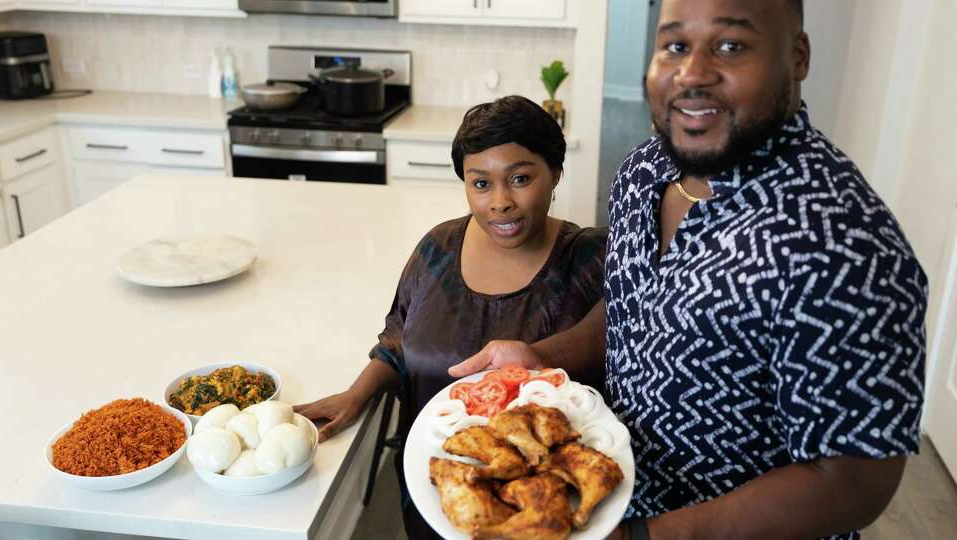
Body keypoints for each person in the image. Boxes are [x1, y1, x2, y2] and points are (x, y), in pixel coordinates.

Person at [450, 1, 929, 539]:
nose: (692, 73)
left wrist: (649, 536)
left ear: (797, 57)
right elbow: (634, 307)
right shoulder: (643, 171)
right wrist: (541, 358)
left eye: (730, 45)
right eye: (675, 46)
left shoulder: (843, 242)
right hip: (614, 498)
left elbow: (854, 481)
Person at [295, 95, 608, 539]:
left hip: (543, 505)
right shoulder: (438, 249)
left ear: (555, 173)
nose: (500, 202)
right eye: (481, 184)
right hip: (433, 488)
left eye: (520, 178)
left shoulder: (592, 261)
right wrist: (357, 394)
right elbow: (400, 340)